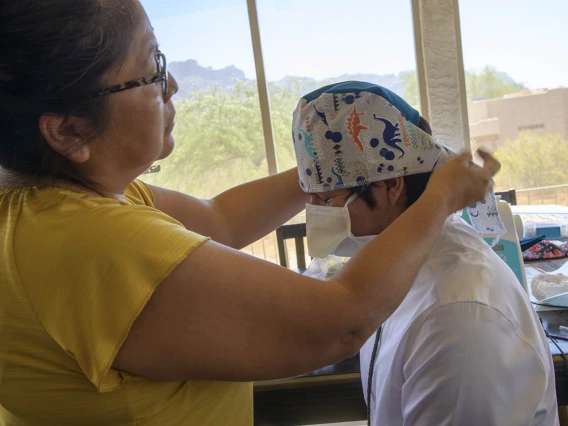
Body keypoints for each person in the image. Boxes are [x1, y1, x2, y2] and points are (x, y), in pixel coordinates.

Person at [0, 1, 499, 425]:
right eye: (151, 66)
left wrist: (336, 156)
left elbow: (219, 219)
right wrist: (439, 199)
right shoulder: (87, 243)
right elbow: (340, 321)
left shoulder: (60, 203)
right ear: (67, 131)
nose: (171, 83)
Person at [293, 81, 559, 426]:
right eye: (309, 196)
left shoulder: (457, 314)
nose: (314, 212)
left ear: (390, 185)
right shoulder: (392, 265)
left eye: (327, 200)